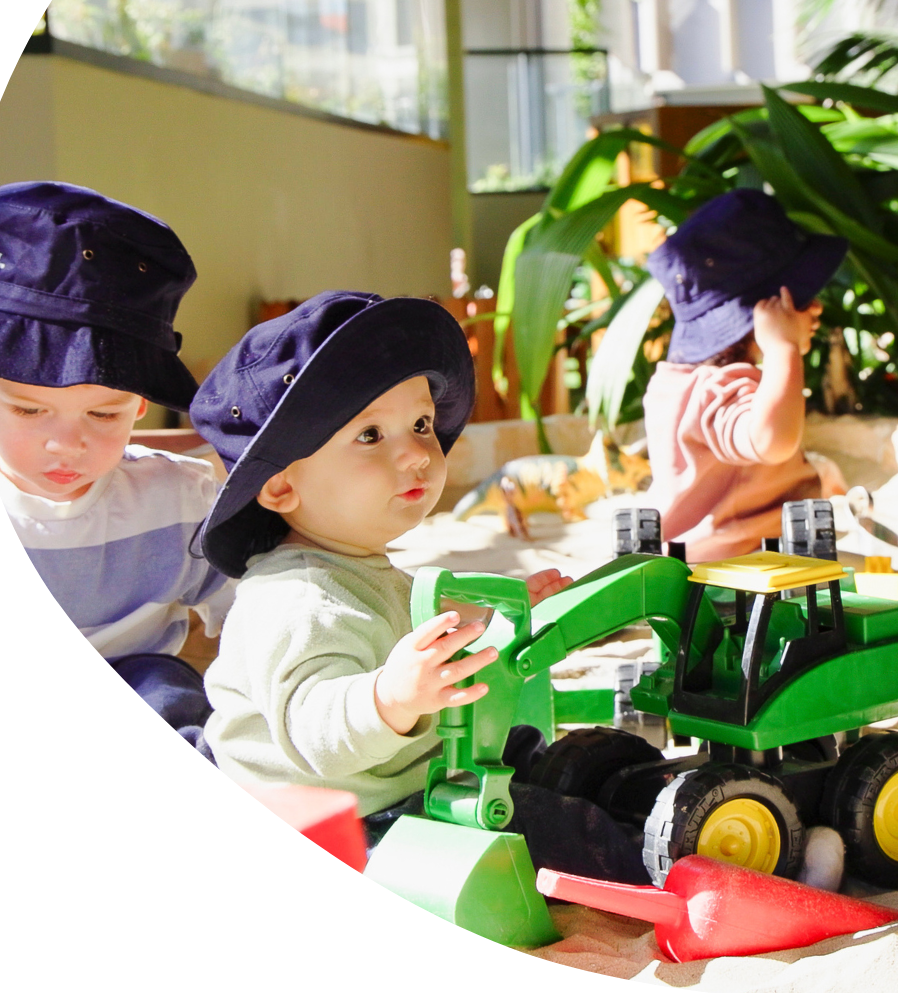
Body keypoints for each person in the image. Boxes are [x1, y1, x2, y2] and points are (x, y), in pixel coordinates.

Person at [191, 291, 646, 878]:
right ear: (280, 488)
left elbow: (417, 618)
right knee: (541, 825)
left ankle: (639, 808)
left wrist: (498, 612)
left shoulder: (354, 562)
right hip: (346, 821)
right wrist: (388, 699)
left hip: (400, 776)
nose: (416, 455)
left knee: (528, 752)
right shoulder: (298, 600)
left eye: (421, 424)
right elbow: (314, 730)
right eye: (371, 436)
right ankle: (664, 866)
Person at [0, 182, 232, 752]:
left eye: (104, 413)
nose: (68, 445)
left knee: (163, 689)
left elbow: (260, 609)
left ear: (140, 402)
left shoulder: (178, 502)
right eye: (31, 409)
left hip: (142, 686)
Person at [641, 188, 848, 562]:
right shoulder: (721, 389)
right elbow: (771, 440)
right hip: (740, 568)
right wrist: (782, 348)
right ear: (763, 316)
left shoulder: (672, 383)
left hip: (706, 558)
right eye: (800, 298)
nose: (816, 307)